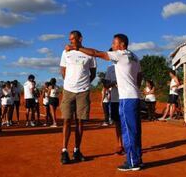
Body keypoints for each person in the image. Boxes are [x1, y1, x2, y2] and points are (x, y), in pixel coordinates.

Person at [65, 33, 143, 171]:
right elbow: (139, 76)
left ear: (122, 45)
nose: (112, 46)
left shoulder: (120, 54)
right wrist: (134, 87)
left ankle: (132, 162)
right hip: (136, 96)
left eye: (114, 43)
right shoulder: (135, 57)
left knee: (127, 130)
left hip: (126, 98)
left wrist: (77, 48)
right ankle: (137, 158)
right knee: (135, 130)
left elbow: (96, 53)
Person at [60, 30, 97, 165]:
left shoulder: (90, 54)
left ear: (80, 39)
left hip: (83, 91)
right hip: (68, 91)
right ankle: (64, 151)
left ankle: (77, 150)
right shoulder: (66, 52)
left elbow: (93, 73)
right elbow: (63, 70)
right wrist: (69, 83)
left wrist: (84, 83)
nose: (70, 42)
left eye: (73, 39)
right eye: (70, 40)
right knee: (66, 120)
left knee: (80, 122)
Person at [104, 64, 124, 155]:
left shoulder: (126, 64)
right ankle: (120, 144)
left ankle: (129, 145)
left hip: (126, 98)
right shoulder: (110, 68)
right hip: (115, 99)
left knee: (127, 123)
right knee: (117, 123)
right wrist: (114, 82)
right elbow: (106, 85)